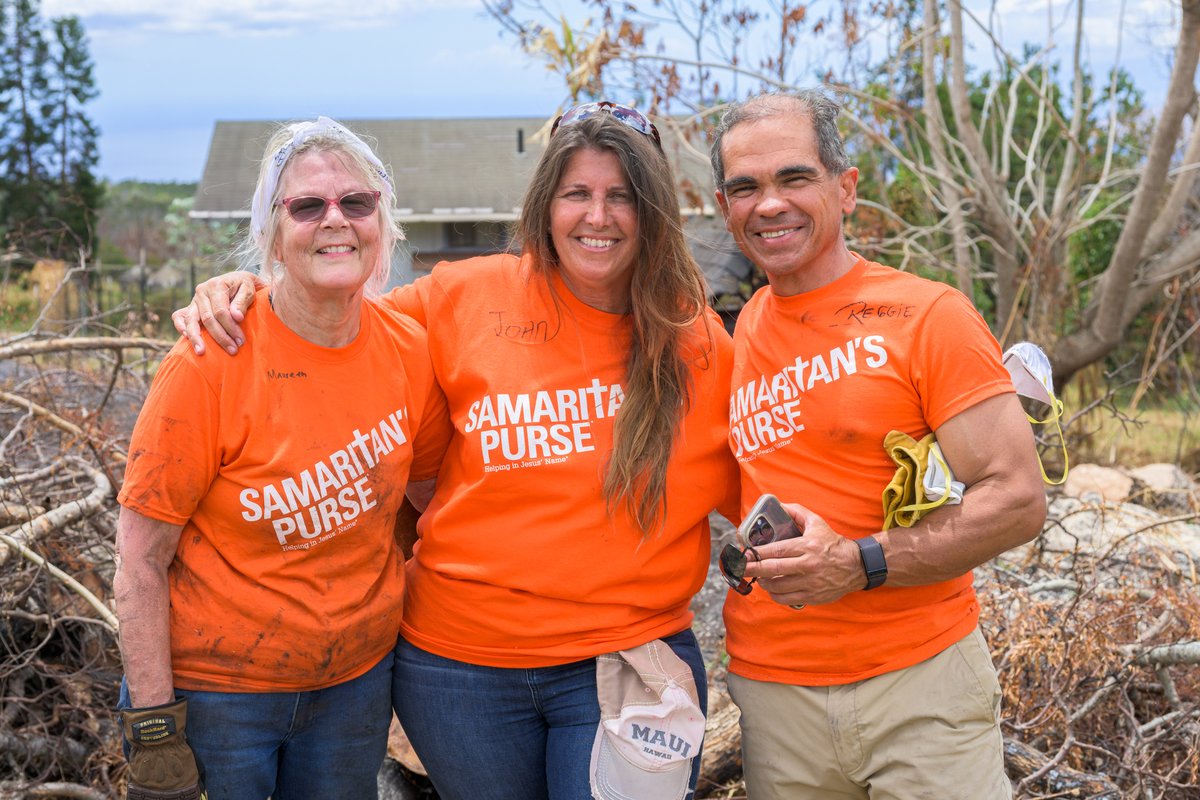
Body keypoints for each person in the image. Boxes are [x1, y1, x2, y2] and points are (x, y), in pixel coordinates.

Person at [172, 102, 740, 800]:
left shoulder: (700, 345)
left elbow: (771, 487)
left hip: (628, 657)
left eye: (621, 196)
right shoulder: (465, 296)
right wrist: (246, 289)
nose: (598, 216)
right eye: (577, 194)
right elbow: (329, 318)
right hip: (459, 671)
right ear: (545, 205)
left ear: (651, 210)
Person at [710, 90, 1047, 799]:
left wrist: (860, 562)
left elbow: (1017, 498)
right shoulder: (730, 341)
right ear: (724, 207)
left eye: (793, 178)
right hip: (776, 698)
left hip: (920, 683)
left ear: (846, 186)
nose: (768, 204)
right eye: (746, 187)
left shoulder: (928, 316)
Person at [113, 117, 451, 800]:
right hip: (221, 696)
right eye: (307, 205)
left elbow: (432, 504)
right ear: (272, 230)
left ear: (382, 222)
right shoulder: (212, 360)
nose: (336, 220)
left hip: (353, 689)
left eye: (356, 203)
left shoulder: (409, 349)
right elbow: (141, 556)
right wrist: (154, 721)